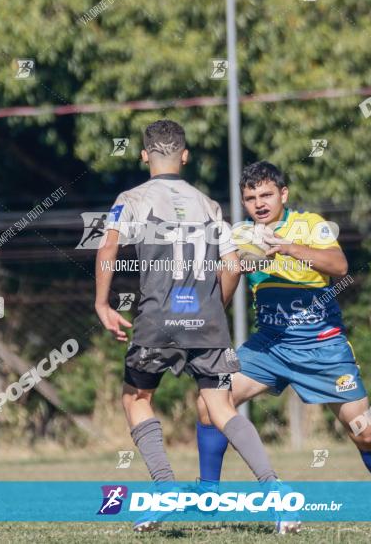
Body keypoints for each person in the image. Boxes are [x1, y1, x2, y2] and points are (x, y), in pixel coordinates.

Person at [94, 121, 299, 533]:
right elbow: (231, 265)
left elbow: (109, 245)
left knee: (136, 398)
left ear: (143, 155)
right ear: (185, 157)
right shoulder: (209, 204)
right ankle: (277, 495)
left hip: (156, 319)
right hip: (206, 321)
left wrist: (102, 302)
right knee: (221, 407)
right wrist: (212, 310)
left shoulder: (131, 198)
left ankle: (166, 489)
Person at [195, 161, 371, 520]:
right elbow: (228, 277)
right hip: (268, 346)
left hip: (322, 346)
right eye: (251, 197)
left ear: (283, 194)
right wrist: (209, 312)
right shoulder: (240, 235)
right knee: (210, 403)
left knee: (363, 432)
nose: (260, 203)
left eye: (267, 194)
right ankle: (207, 497)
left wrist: (286, 247)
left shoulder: (309, 225)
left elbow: (339, 266)